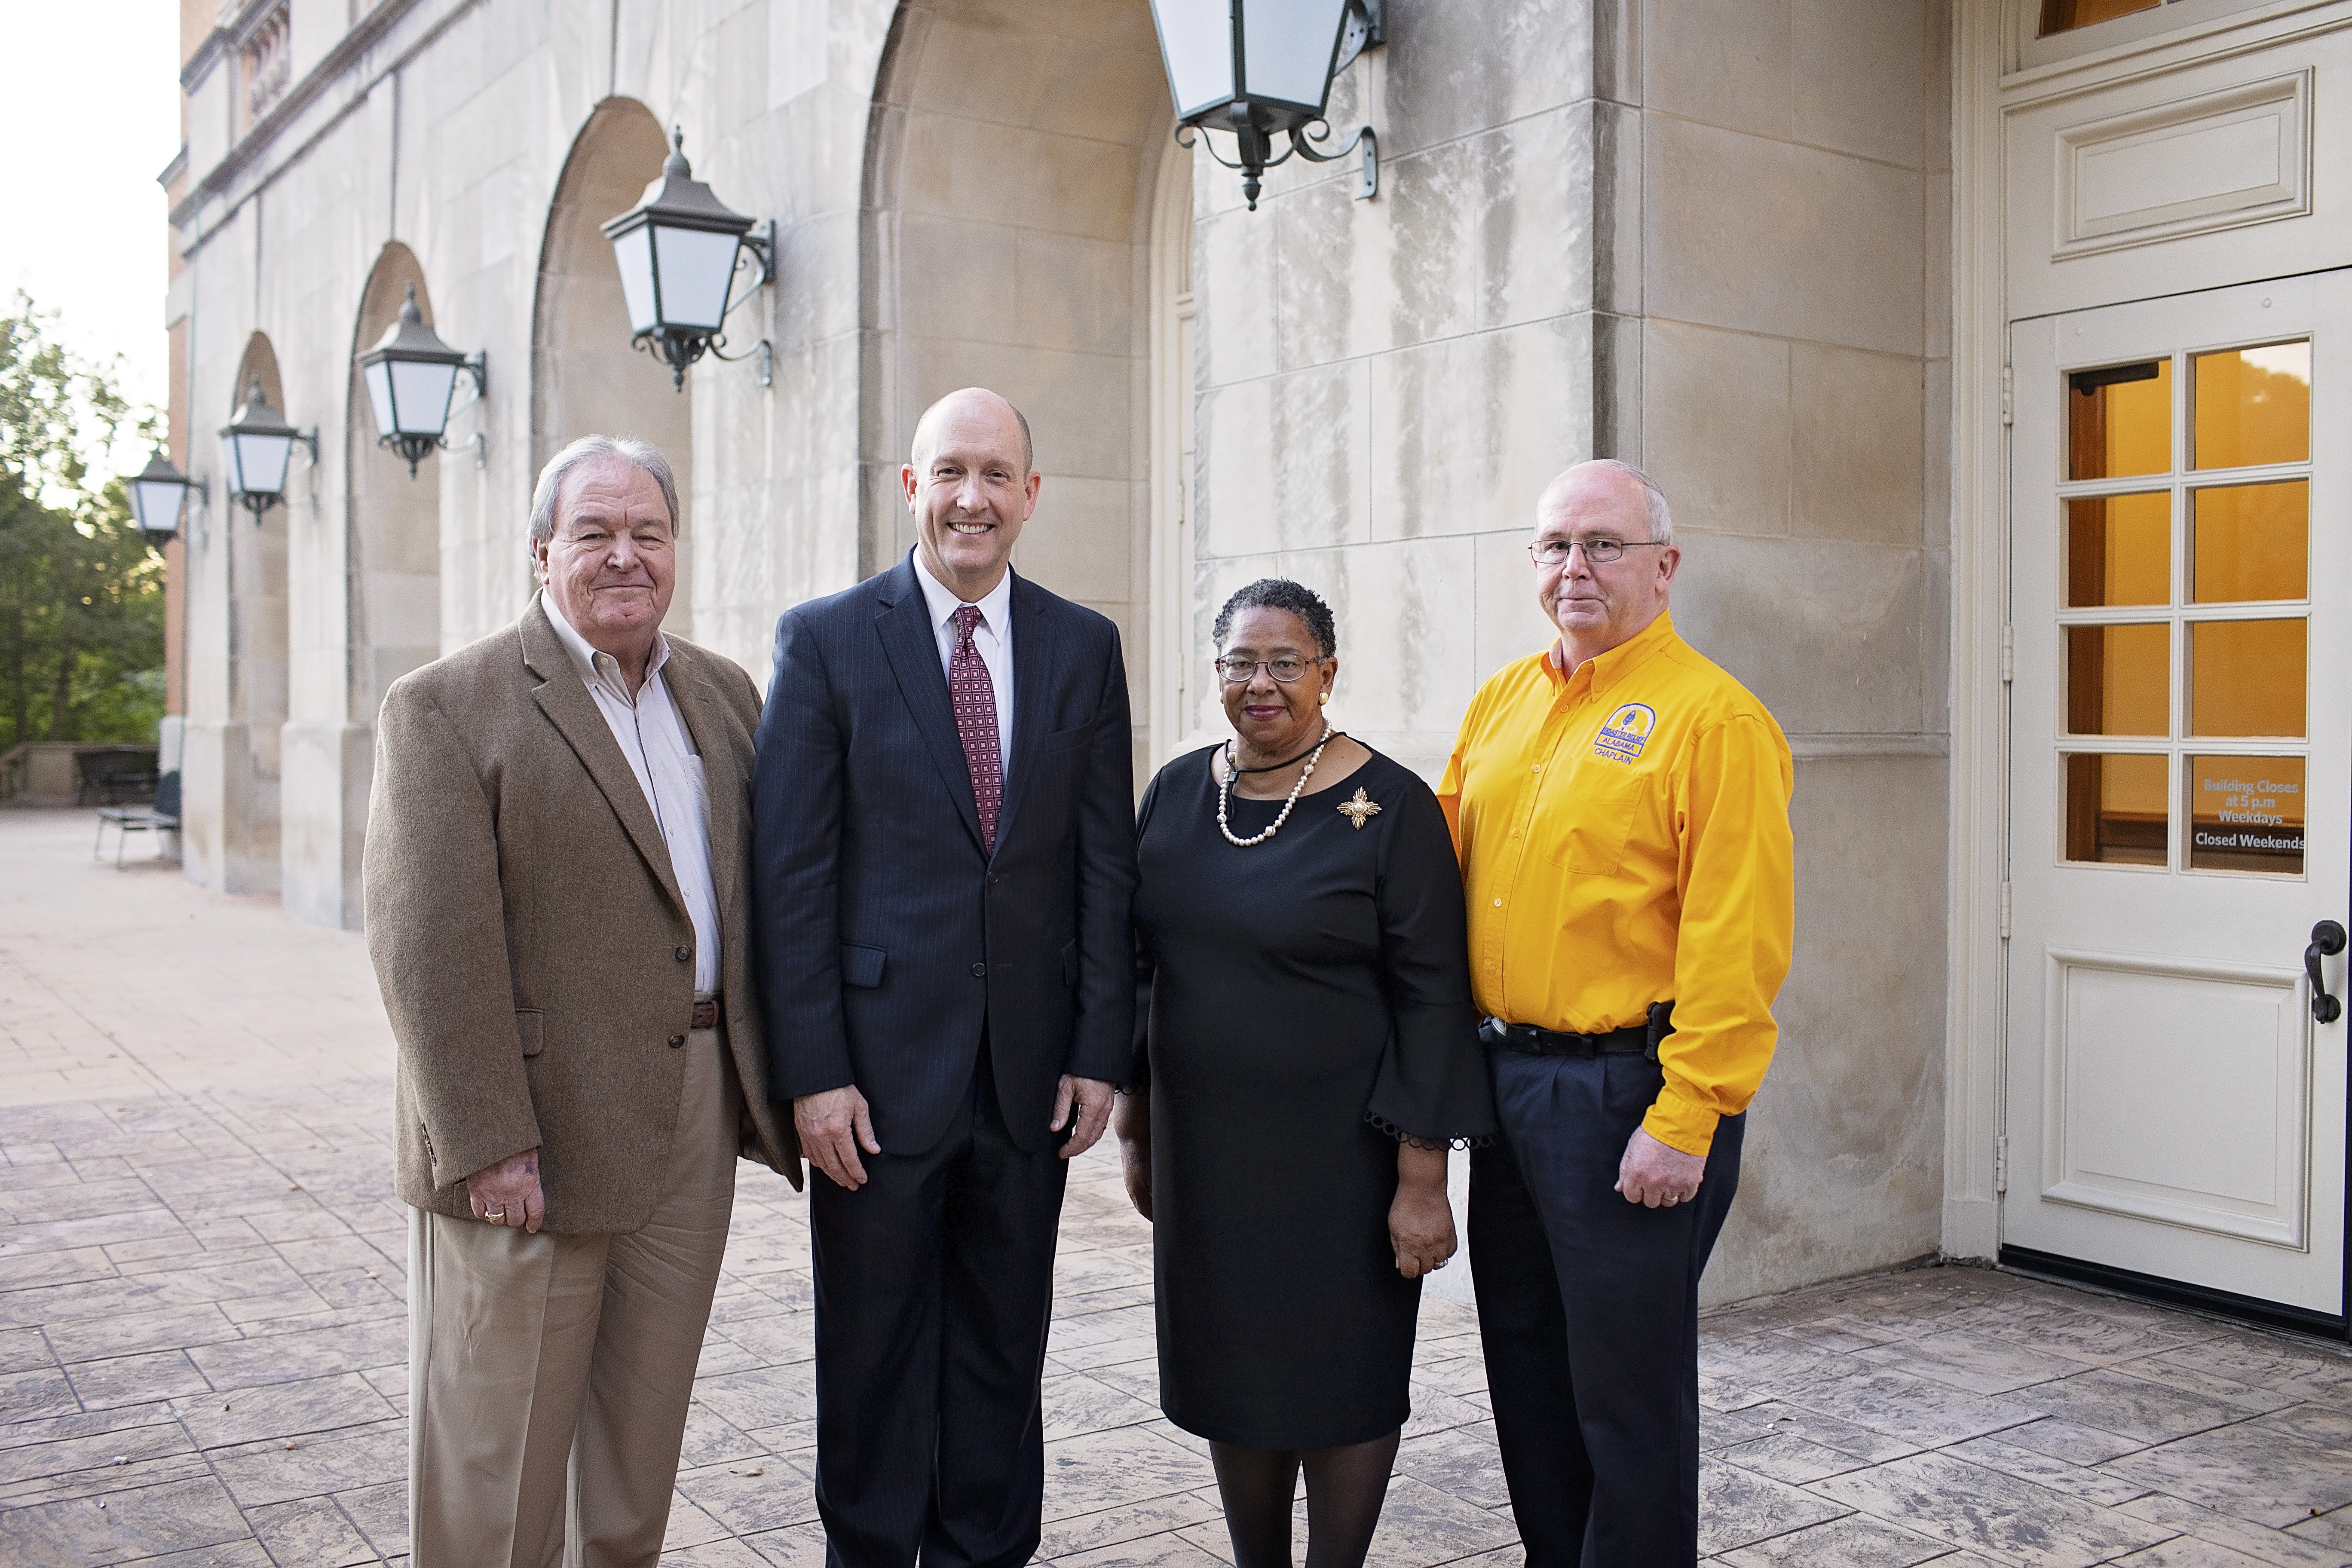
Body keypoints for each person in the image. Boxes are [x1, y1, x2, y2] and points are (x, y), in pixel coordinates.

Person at [364, 435, 799, 1568]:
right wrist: (489, 1143)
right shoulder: (448, 707)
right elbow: (427, 947)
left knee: (635, 1448)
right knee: (496, 1456)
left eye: (648, 533)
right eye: (595, 534)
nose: (625, 557)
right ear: (542, 552)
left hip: (690, 1112)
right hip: (531, 1136)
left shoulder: (722, 692)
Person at [751, 387, 1138, 1568]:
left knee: (999, 1353)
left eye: (997, 474)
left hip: (1026, 1081)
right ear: (912, 487)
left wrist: (1097, 1049)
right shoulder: (825, 639)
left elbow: (1102, 864)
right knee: (870, 1360)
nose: (973, 497)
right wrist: (814, 1074)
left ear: (1031, 494)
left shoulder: (1083, 645)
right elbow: (793, 877)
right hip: (874, 1081)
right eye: (950, 472)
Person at [1440, 460, 1794, 1566]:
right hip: (1510, 1087)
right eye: (1554, 545)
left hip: (1630, 1095)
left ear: (1665, 565)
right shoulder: (1503, 700)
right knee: (1531, 1374)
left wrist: (1687, 1116)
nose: (1574, 568)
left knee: (1625, 1398)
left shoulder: (1715, 721)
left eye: (1603, 544)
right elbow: (1433, 874)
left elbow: (1735, 943)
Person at [1114, 578, 1494, 1568]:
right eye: (1240, 662)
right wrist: (1137, 1129)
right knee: (1232, 1369)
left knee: (1343, 1375)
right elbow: (1143, 971)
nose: (1262, 684)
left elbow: (1432, 999)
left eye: (1287, 663)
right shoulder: (1178, 793)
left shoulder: (1393, 808)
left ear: (1329, 674)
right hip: (1209, 1158)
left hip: (1346, 1164)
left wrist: (1424, 1181)